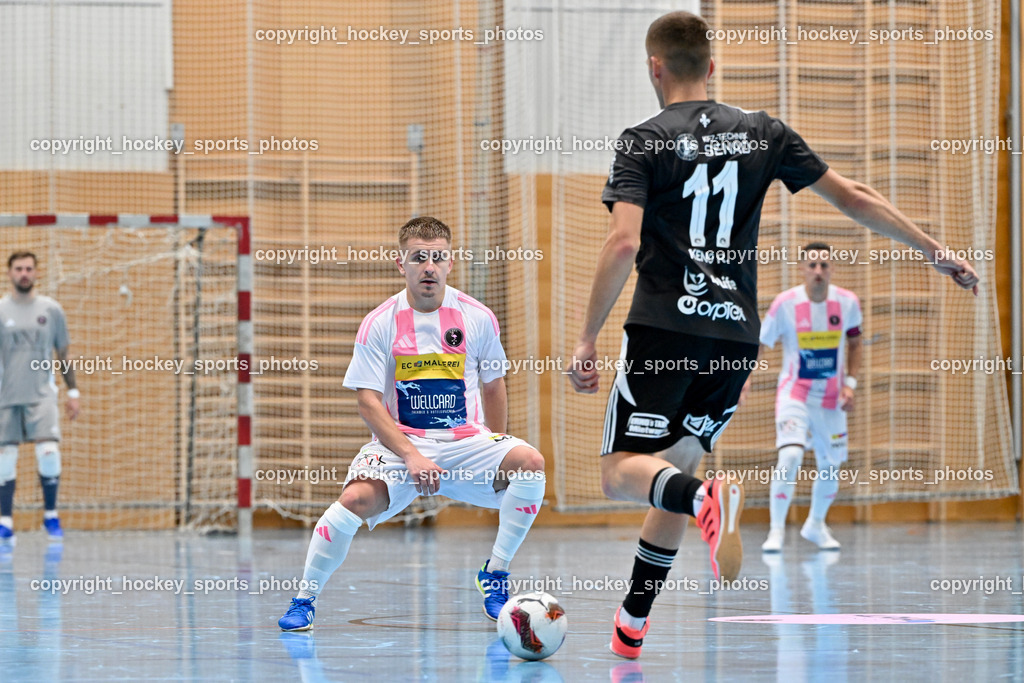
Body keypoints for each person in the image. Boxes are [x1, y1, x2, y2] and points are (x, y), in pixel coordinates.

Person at [569, 10, 979, 659]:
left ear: (654, 68)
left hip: (664, 328)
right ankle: (631, 623)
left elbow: (623, 242)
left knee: (620, 473)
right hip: (735, 336)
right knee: (672, 471)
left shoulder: (643, 140)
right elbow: (854, 195)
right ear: (712, 66)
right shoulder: (765, 132)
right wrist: (934, 251)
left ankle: (708, 499)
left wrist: (585, 338)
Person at [278, 216, 546, 631]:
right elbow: (368, 402)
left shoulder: (478, 317)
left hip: (466, 443)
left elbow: (494, 385)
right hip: (401, 445)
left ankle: (495, 573)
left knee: (530, 464)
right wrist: (411, 455)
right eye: (419, 258)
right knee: (352, 502)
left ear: (450, 263)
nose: (429, 267)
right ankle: (304, 600)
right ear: (400, 263)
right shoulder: (380, 322)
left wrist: (494, 446)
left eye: (438, 258)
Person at [746, 244, 863, 552]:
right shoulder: (785, 304)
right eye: (812, 265)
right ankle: (776, 531)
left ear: (832, 269)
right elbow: (760, 343)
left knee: (831, 464)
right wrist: (744, 379)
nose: (818, 271)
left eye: (824, 265)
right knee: (791, 456)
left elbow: (855, 344)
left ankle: (815, 524)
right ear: (802, 269)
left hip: (831, 400)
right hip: (794, 394)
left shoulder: (848, 302)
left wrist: (850, 385)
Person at [0, 252, 81, 543]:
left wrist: (73, 392)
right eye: (19, 269)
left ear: (36, 272)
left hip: (42, 394)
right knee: (5, 459)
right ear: (9, 273)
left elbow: (63, 353)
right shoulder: (1, 310)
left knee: (48, 452)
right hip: (6, 396)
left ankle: (50, 515)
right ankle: (5, 521)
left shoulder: (51, 309)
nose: (24, 273)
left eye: (29, 269)